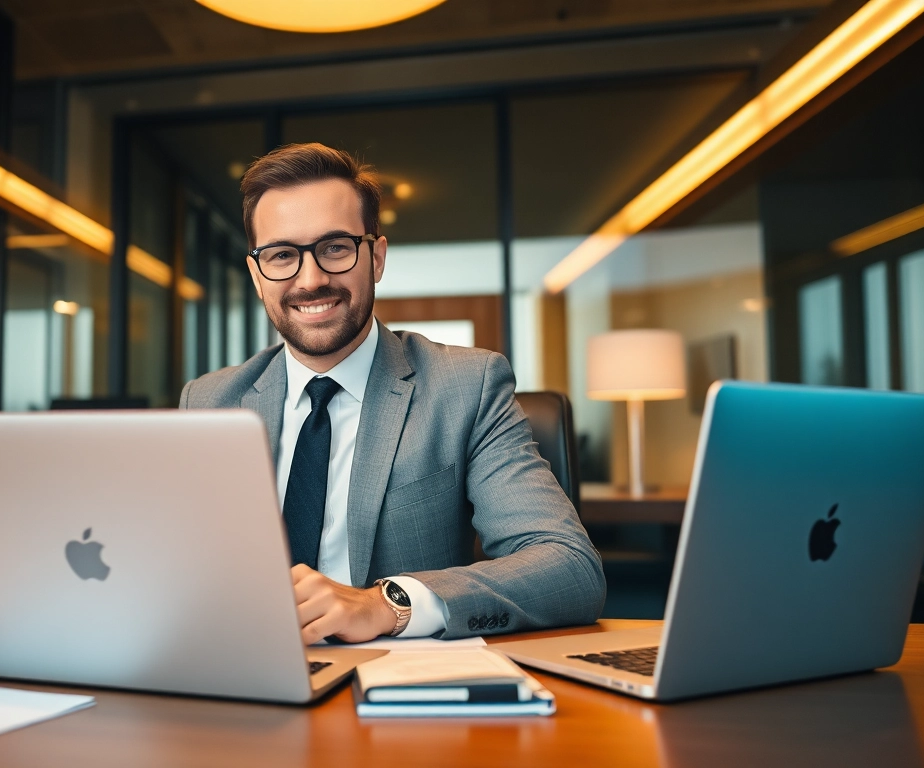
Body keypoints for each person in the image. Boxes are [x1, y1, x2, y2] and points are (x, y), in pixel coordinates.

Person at [180, 143, 605, 643]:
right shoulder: (209, 401)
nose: (311, 279)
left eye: (336, 247)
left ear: (376, 258)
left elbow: (569, 566)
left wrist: (385, 604)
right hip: (240, 674)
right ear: (257, 275)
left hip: (396, 693)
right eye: (281, 256)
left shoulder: (466, 387)